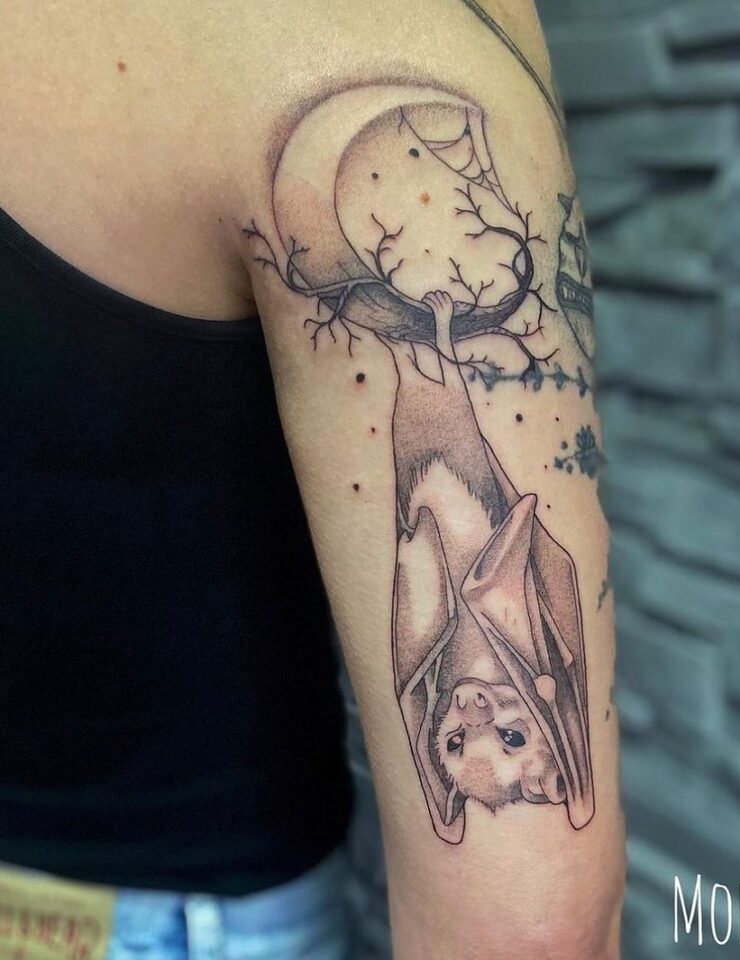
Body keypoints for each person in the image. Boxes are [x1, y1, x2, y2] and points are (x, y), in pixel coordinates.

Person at [0, 2, 625, 958]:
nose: (473, 722)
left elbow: (531, 925)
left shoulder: (364, 39)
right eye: (504, 739)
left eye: (460, 743)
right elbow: (533, 932)